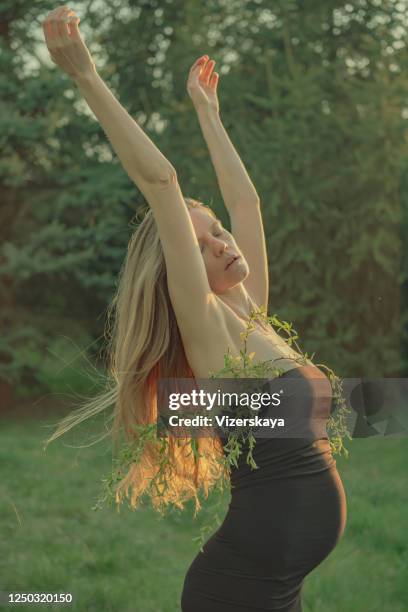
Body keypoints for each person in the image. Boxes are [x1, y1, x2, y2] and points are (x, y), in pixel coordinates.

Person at [42, 7, 347, 611]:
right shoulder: (208, 328)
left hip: (277, 584)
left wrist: (210, 115)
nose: (223, 242)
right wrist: (86, 77)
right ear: (184, 271)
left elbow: (246, 199)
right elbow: (160, 182)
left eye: (219, 233)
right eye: (202, 241)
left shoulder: (252, 314)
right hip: (235, 590)